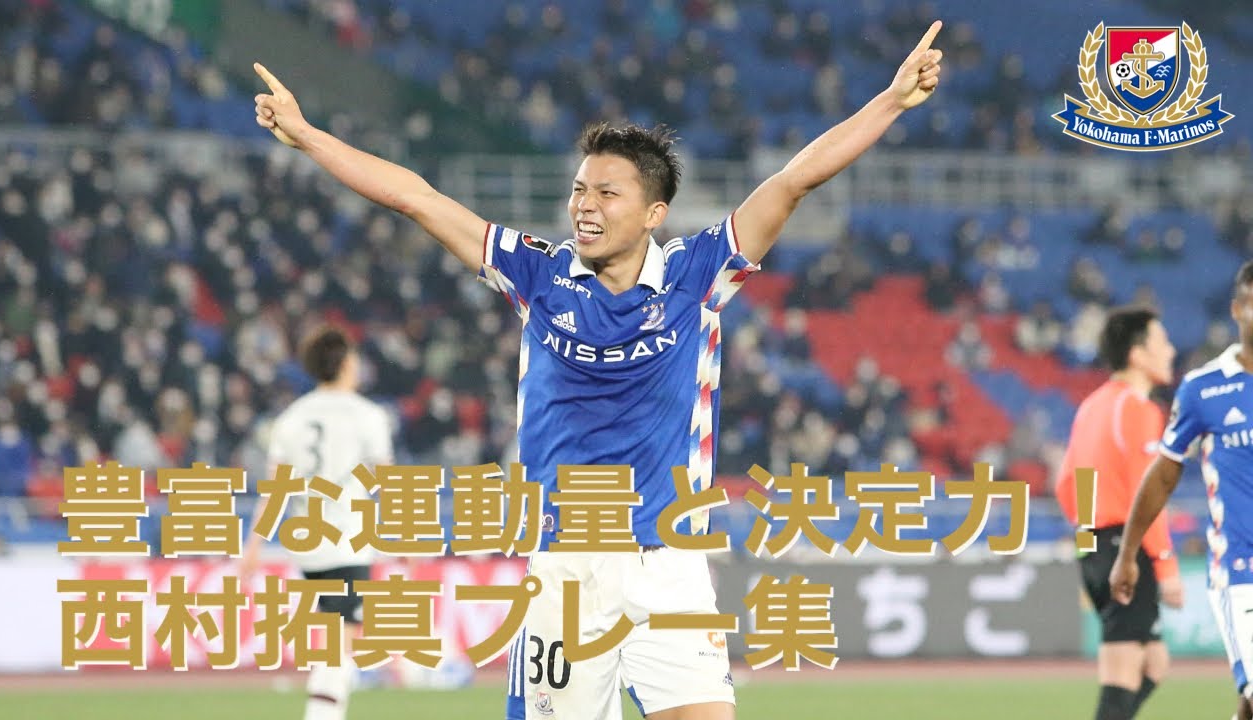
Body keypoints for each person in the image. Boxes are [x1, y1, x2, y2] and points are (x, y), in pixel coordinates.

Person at [251, 21, 943, 720]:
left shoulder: (697, 276)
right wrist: (308, 136)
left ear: (653, 213)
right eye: (581, 189)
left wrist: (890, 100)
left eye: (608, 194)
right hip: (567, 566)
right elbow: (418, 198)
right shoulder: (537, 273)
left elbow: (794, 181)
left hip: (669, 563)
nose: (585, 205)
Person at [1112, 261, 1253, 720]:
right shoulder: (1204, 389)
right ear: (1237, 310)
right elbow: (1163, 475)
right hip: (1242, 570)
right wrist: (1128, 552)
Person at [239, 326, 394, 720]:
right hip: (348, 541)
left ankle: (323, 710)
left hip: (307, 545)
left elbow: (277, 490)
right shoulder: (368, 415)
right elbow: (389, 483)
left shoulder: (291, 418)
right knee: (340, 649)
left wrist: (253, 546)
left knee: (334, 641)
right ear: (345, 363)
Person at [1054, 306, 1181, 720]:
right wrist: (1165, 565)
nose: (1171, 350)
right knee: (1122, 676)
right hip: (1124, 550)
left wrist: (1087, 540)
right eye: (1162, 342)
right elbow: (1149, 495)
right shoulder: (1139, 409)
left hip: (1094, 543)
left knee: (1154, 663)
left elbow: (1066, 483)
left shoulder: (1091, 406)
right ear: (1137, 354)